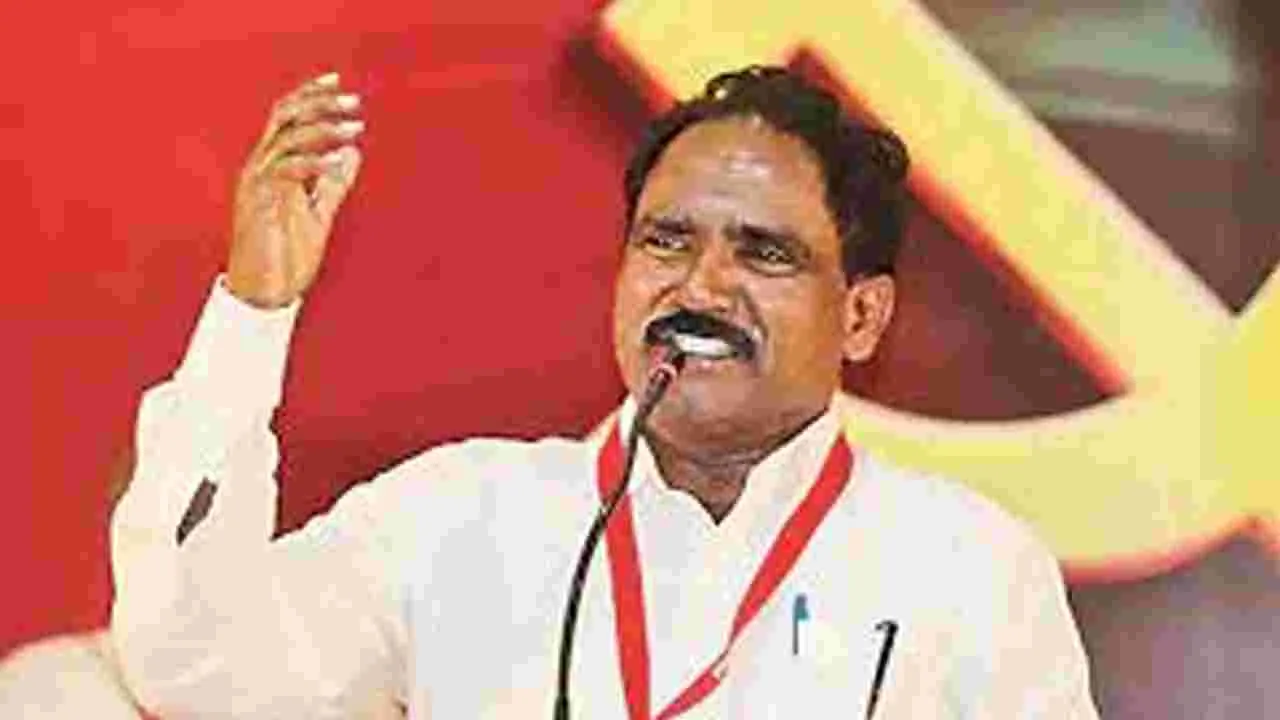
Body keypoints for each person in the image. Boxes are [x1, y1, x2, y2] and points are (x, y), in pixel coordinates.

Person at [108, 65, 1098, 718]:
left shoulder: (965, 568)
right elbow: (193, 667)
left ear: (862, 318)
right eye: (666, 240)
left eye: (762, 253)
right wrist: (254, 312)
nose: (700, 287)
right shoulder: (458, 517)